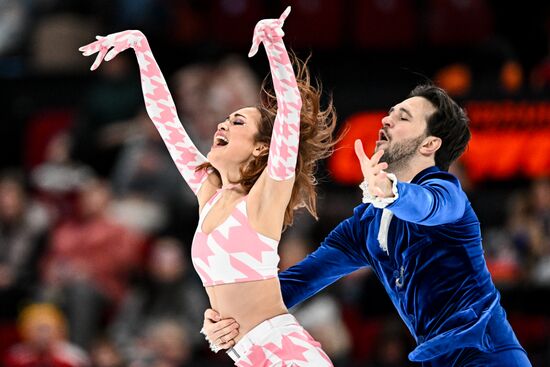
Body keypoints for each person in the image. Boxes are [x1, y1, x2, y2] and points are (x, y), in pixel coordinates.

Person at [202, 84, 533, 367]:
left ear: (429, 145)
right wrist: (230, 315)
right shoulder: (365, 226)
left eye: (403, 117)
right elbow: (298, 281)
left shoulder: (447, 194)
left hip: (488, 355)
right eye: (390, 112)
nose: (386, 119)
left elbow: (429, 207)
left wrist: (392, 192)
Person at [80, 7, 336, 367]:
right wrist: (141, 47)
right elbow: (166, 121)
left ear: (262, 146)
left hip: (283, 350)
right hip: (245, 353)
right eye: (226, 119)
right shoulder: (209, 192)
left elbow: (289, 116)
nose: (222, 124)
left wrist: (275, 44)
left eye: (237, 121)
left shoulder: (265, 196)